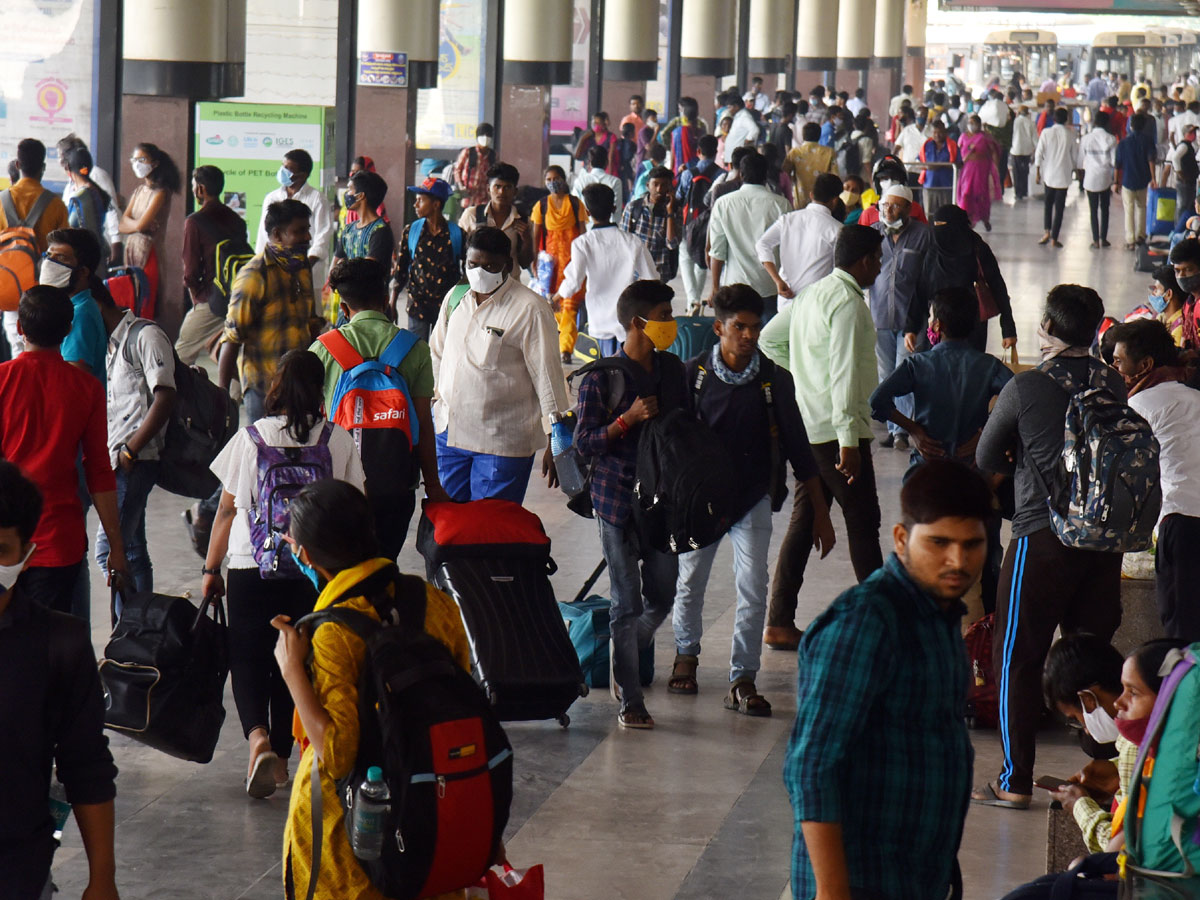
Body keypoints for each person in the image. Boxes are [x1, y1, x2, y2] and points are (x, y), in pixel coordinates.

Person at [786, 460, 990, 900]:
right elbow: (811, 766)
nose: (958, 560)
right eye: (940, 543)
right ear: (901, 539)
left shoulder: (941, 617)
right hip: (859, 881)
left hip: (914, 876)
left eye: (972, 544)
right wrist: (833, 892)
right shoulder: (866, 622)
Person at [271, 478, 471, 898]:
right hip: (435, 808)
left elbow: (337, 753)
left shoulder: (332, 633)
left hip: (356, 836)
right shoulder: (433, 600)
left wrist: (293, 672)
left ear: (305, 554)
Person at [973, 284, 1127, 811]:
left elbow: (987, 455)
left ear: (1047, 327)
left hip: (1041, 539)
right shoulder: (1113, 381)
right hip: (1103, 545)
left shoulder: (1027, 387)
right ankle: (1104, 768)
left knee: (1018, 655)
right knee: (1091, 660)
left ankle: (1015, 780)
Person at [204, 350, 365, 799]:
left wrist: (210, 567)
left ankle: (258, 742)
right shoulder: (338, 439)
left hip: (251, 563)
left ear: (275, 386)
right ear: (320, 390)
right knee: (298, 658)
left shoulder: (251, 438)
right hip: (314, 566)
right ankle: (282, 753)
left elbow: (226, 509)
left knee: (249, 656)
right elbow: (356, 505)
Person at [670, 284, 834, 716]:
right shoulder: (693, 376)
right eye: (739, 327)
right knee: (691, 580)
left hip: (751, 498)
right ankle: (685, 654)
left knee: (753, 586)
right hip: (701, 502)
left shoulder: (774, 380)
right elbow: (673, 443)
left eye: (755, 327)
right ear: (718, 329)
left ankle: (742, 677)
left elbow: (801, 449)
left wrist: (820, 513)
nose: (748, 335)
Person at [759, 226, 886, 650]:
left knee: (805, 518)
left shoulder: (812, 294)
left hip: (809, 425)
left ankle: (778, 619)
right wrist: (850, 440)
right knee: (863, 522)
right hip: (836, 432)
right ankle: (878, 624)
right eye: (879, 259)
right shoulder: (849, 306)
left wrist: (805, 376)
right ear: (865, 260)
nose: (881, 267)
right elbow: (847, 376)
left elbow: (769, 339)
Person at [0, 461, 120, 900]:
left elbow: (86, 763)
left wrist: (102, 878)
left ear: (27, 556)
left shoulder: (59, 645)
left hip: (17, 871)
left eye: (2, 551)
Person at [574, 280, 686, 729]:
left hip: (663, 504)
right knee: (626, 602)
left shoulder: (674, 371)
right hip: (616, 502)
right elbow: (584, 442)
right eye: (663, 314)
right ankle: (631, 699)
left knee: (662, 595)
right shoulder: (603, 377)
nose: (670, 323)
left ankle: (628, 654)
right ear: (638, 322)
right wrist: (627, 420)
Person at [1, 286, 126, 613]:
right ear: (69, 330)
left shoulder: (2, 379)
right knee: (45, 641)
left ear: (19, 328)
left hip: (4, 541)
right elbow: (99, 470)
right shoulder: (87, 389)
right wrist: (117, 546)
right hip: (59, 539)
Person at [313, 258, 448, 557]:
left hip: (339, 486)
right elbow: (424, 424)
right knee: (385, 565)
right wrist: (434, 486)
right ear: (386, 301)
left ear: (344, 308)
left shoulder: (323, 348)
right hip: (396, 486)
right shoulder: (414, 348)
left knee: (342, 569)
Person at [429, 227, 568, 504]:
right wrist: (435, 405)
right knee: (448, 524)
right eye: (473, 264)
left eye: (490, 266)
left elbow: (548, 376)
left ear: (508, 264)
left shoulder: (530, 308)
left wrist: (558, 439)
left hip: (501, 442)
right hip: (450, 435)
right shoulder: (456, 299)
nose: (480, 272)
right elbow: (437, 353)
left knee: (490, 531)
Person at [1107, 318, 1200, 640]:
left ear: (1144, 365)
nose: (1114, 370)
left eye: (1118, 361)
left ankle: (1183, 689)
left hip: (1181, 521)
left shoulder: (1137, 406)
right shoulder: (1193, 396)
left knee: (1181, 629)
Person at [93, 284, 177, 596]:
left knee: (109, 551)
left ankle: (130, 629)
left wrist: (131, 449)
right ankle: (139, 633)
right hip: (119, 460)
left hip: (137, 461)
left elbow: (165, 395)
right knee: (132, 552)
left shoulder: (145, 336)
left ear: (96, 308)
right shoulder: (108, 345)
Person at [220, 199, 323, 423]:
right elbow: (231, 341)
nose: (308, 238)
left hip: (301, 385)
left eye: (307, 230)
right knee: (265, 453)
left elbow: (311, 324)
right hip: (264, 386)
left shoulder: (302, 266)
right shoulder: (253, 276)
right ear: (277, 234)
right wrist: (221, 397)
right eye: (299, 231)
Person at [1040, 633, 1133, 854]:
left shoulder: (1137, 744)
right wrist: (1117, 769)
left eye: (1133, 691)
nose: (1123, 702)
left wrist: (1080, 806)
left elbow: (1122, 851)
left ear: (1088, 699)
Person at [553, 184, 657, 360]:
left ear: (587, 212)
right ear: (614, 209)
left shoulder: (582, 243)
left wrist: (555, 298)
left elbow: (574, 281)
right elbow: (652, 279)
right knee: (627, 368)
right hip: (629, 319)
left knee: (606, 370)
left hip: (600, 319)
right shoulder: (632, 241)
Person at [867, 184, 934, 450]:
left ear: (908, 208)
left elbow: (929, 278)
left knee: (905, 372)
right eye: (885, 205)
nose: (889, 210)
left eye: (895, 206)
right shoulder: (872, 235)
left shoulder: (923, 236)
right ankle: (895, 428)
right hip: (879, 317)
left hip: (912, 319)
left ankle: (904, 430)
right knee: (886, 374)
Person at [915, 205, 1016, 353]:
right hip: (938, 323)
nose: (937, 231)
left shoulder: (977, 248)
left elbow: (997, 286)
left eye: (941, 226)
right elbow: (921, 289)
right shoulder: (932, 249)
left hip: (972, 324)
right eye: (935, 225)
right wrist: (911, 328)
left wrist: (1008, 329)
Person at [1, 139, 70, 355]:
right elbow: (64, 253)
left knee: (17, 351)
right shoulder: (55, 204)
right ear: (43, 167)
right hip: (43, 291)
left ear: (18, 165)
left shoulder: (1, 201)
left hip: (10, 290)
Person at [178, 165, 249, 364]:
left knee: (181, 354)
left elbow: (190, 270)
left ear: (200, 189)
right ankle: (233, 395)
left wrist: (197, 299)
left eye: (194, 186)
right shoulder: (236, 220)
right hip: (237, 295)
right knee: (232, 354)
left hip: (211, 298)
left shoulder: (195, 221)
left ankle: (173, 393)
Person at [706, 153, 790, 320]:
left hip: (735, 286)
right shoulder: (781, 204)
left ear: (741, 175)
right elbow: (788, 250)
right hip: (770, 286)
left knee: (737, 340)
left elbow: (718, 251)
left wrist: (715, 287)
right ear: (766, 174)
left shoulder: (723, 204)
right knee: (767, 342)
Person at [391, 177, 465, 343]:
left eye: (420, 200)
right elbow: (401, 269)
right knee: (417, 354)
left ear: (436, 204)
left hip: (447, 308)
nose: (415, 205)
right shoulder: (411, 231)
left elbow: (468, 272)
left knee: (444, 355)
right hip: (417, 307)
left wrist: (461, 302)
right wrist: (393, 300)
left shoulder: (457, 234)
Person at [756, 172, 842, 308]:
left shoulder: (787, 219)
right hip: (816, 304)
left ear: (811, 195)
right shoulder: (837, 229)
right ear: (835, 200)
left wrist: (777, 280)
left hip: (786, 301)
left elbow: (762, 244)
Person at [254, 149, 335, 292]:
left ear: (302, 175)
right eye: (282, 166)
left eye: (288, 169)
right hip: (274, 273)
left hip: (308, 275)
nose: (282, 171)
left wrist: (303, 267)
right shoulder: (272, 198)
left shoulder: (317, 199)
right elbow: (263, 237)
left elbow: (323, 236)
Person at [530, 166, 588, 360]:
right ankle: (554, 344)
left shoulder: (575, 203)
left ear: (564, 179)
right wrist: (534, 259)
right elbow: (536, 233)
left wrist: (585, 261)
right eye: (548, 179)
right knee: (551, 305)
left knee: (570, 305)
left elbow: (583, 233)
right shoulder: (541, 206)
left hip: (572, 263)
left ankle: (566, 349)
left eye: (556, 178)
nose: (552, 182)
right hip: (550, 266)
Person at [41, 227, 108, 381]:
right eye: (49, 255)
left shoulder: (80, 314)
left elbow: (73, 382)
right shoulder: (68, 307)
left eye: (61, 257)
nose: (50, 263)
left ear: (83, 272)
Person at [119, 142, 180, 299]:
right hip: (132, 250)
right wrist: (137, 225)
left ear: (155, 163)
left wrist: (136, 224)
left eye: (142, 160)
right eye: (134, 160)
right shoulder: (139, 191)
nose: (137, 164)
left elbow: (140, 224)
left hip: (149, 253)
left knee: (146, 300)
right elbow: (122, 224)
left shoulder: (161, 192)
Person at [674, 134, 724, 311]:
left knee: (685, 256)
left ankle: (692, 300)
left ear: (698, 152)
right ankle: (695, 299)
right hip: (710, 224)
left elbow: (679, 197)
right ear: (716, 152)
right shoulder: (721, 175)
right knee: (702, 260)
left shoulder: (688, 173)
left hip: (689, 222)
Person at [458, 163, 534, 274]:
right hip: (477, 285)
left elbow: (525, 263)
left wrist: (527, 240)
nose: (501, 192)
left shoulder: (523, 221)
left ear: (515, 191)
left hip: (510, 286)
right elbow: (460, 254)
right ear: (488, 189)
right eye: (497, 186)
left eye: (507, 187)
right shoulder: (472, 215)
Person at [56, 133, 120, 258]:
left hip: (99, 245)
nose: (59, 161)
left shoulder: (95, 175)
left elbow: (112, 212)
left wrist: (116, 244)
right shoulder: (72, 182)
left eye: (59, 156)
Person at [620, 166, 680, 284]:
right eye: (655, 184)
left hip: (660, 274)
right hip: (635, 273)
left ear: (670, 188)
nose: (659, 189)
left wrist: (670, 213)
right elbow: (623, 242)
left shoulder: (675, 210)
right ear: (648, 185)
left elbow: (672, 244)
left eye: (664, 185)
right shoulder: (634, 208)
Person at [60, 144, 111, 263]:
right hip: (98, 257)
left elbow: (70, 227)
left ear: (68, 169)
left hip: (84, 261)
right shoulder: (97, 192)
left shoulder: (79, 198)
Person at [1114, 113, 1158, 250]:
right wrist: (1153, 178)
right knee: (1141, 208)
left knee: (1129, 210)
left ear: (1131, 126)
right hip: (1143, 180)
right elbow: (1151, 160)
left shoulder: (1123, 143)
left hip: (1128, 181)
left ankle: (1130, 240)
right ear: (1144, 126)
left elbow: (1117, 164)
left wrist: (1116, 182)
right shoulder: (1148, 141)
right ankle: (1141, 236)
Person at [332, 169, 393, 266]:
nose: (346, 194)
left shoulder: (380, 231)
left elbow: (366, 272)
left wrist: (342, 267)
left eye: (350, 189)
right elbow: (333, 268)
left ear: (360, 196)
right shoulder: (348, 229)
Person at [1078, 110, 1118, 249]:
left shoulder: (1086, 139)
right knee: (1105, 209)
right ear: (1107, 123)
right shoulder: (1111, 139)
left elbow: (1080, 161)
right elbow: (1114, 162)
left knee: (1093, 210)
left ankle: (1095, 240)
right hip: (1105, 178)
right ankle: (1104, 238)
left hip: (1090, 178)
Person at [956, 114, 1002, 231]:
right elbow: (958, 151)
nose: (971, 125)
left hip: (981, 170)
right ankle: (967, 220)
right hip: (967, 170)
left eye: (974, 123)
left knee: (981, 195)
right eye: (969, 123)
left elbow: (994, 152)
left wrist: (995, 168)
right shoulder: (963, 136)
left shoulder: (985, 137)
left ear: (979, 125)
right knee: (966, 194)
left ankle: (985, 219)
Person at [783, 121, 839, 210]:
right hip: (822, 199)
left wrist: (793, 181)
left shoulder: (794, 153)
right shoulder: (829, 152)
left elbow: (785, 175)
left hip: (801, 199)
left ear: (803, 135)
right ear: (819, 135)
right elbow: (835, 177)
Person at [918, 119, 959, 216]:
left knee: (945, 215)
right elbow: (918, 161)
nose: (937, 135)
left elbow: (959, 164)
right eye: (935, 132)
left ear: (945, 132)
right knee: (929, 214)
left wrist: (941, 165)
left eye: (940, 132)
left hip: (946, 186)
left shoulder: (952, 145)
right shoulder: (926, 145)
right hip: (929, 186)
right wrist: (927, 166)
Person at [452, 123, 497, 209]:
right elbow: (457, 170)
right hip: (467, 198)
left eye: (488, 135)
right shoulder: (468, 152)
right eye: (482, 135)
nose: (485, 138)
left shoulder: (493, 155)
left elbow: (495, 174)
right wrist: (461, 186)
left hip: (484, 199)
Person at [571, 145, 624, 218]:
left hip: (586, 227)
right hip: (607, 227)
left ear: (589, 162)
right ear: (607, 162)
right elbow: (616, 211)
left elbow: (574, 208)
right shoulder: (615, 182)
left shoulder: (580, 181)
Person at [659, 96, 707, 175]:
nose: (680, 111)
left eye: (680, 109)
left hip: (680, 162)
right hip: (696, 163)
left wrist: (670, 146)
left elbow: (663, 134)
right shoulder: (701, 126)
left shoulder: (677, 128)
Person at [1167, 123, 1198, 232]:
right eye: (1191, 133)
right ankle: (1178, 230)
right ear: (1185, 134)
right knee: (1182, 206)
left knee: (1187, 205)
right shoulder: (1184, 146)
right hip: (1184, 182)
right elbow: (1175, 158)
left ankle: (1183, 228)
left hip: (1188, 181)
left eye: (1194, 132)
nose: (1193, 135)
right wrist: (1180, 173)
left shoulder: (1189, 146)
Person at [574, 112, 621, 178]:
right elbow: (577, 156)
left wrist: (609, 176)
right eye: (594, 123)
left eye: (598, 123)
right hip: (588, 171)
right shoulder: (588, 137)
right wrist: (583, 138)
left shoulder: (610, 137)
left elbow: (610, 158)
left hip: (605, 171)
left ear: (603, 124)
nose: (596, 125)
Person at [1010, 104, 1036, 201]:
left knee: (1016, 172)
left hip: (1016, 149)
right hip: (1027, 150)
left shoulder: (1015, 121)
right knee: (1025, 171)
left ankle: (1018, 192)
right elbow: (1035, 139)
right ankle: (1024, 191)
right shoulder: (1031, 123)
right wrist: (1036, 150)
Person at [724, 97, 761, 165]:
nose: (728, 110)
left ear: (736, 106)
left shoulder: (744, 116)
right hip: (732, 157)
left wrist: (747, 140)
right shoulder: (738, 117)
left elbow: (755, 130)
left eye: (729, 107)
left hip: (738, 158)